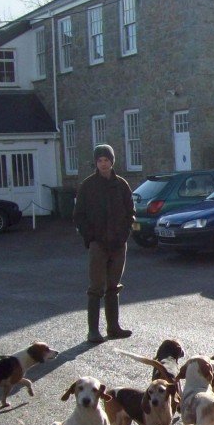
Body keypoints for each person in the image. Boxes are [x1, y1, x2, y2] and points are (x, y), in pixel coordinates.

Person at [74, 144, 135, 344]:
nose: (103, 164)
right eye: (100, 160)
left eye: (106, 160)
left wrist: (124, 234)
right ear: (96, 162)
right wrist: (90, 237)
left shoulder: (122, 185)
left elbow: (130, 211)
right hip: (98, 244)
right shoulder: (88, 186)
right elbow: (79, 216)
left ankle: (113, 327)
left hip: (118, 244)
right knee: (96, 287)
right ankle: (93, 331)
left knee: (113, 286)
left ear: (112, 161)